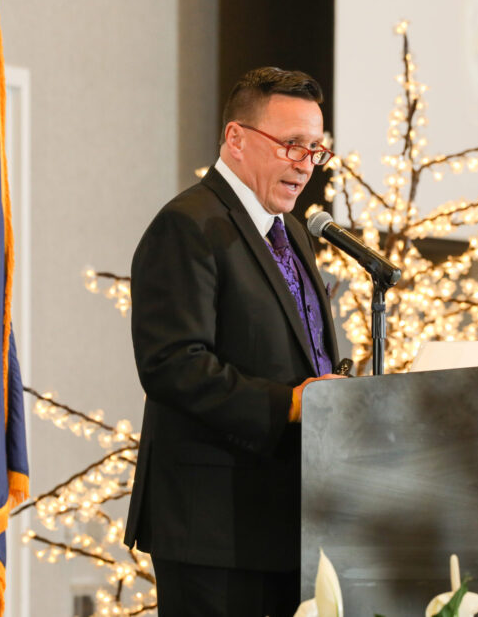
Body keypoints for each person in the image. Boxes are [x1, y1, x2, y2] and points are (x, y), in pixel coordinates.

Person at [123, 67, 343, 616]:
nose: (304, 163)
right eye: (291, 144)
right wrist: (289, 404)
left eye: (314, 149)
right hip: (215, 527)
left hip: (287, 521)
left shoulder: (291, 231)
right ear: (236, 140)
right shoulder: (189, 225)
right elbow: (173, 365)